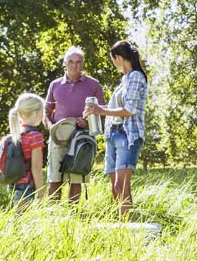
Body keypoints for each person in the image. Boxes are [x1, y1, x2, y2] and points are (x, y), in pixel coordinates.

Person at [84, 40, 148, 217]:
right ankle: (123, 224)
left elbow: (129, 110)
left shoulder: (136, 77)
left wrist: (101, 110)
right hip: (113, 134)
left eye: (113, 60)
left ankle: (127, 228)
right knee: (114, 188)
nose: (113, 64)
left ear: (118, 57)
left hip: (127, 136)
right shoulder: (124, 80)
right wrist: (95, 111)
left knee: (122, 186)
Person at [44, 46, 105, 202]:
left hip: (81, 137)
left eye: (78, 62)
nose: (74, 65)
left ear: (82, 63)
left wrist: (86, 120)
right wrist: (52, 128)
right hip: (57, 138)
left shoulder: (93, 84)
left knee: (76, 179)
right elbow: (46, 112)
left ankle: (73, 216)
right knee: (54, 179)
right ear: (64, 63)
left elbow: (103, 111)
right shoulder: (55, 84)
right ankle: (52, 216)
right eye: (70, 61)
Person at [8, 93, 47, 208]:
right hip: (27, 184)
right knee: (22, 220)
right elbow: (36, 168)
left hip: (13, 181)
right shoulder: (35, 136)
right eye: (42, 111)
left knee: (17, 215)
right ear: (36, 113)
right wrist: (40, 193)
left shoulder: (16, 132)